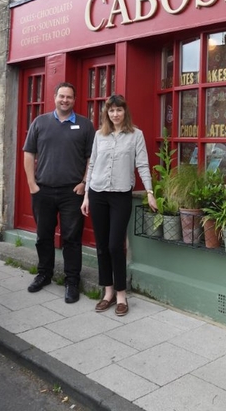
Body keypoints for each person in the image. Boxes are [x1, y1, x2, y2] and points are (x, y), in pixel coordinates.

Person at [81, 94, 157, 317]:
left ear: (125, 112)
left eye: (119, 110)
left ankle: (122, 294)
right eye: (111, 110)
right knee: (102, 245)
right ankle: (108, 292)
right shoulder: (99, 135)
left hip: (120, 195)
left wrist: (150, 192)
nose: (115, 114)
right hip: (97, 194)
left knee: (116, 245)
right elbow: (92, 164)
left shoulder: (136, 135)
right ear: (107, 113)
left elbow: (142, 164)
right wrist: (86, 195)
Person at [23, 82, 95, 303]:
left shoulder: (85, 125)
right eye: (61, 96)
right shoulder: (40, 122)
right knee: (43, 235)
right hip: (43, 190)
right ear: (54, 97)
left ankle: (72, 280)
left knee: (71, 238)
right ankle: (44, 274)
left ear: (74, 100)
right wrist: (32, 185)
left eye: (69, 97)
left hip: (71, 192)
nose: (65, 100)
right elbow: (28, 153)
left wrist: (84, 183)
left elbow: (91, 158)